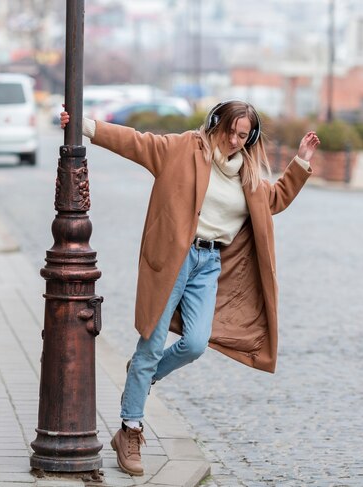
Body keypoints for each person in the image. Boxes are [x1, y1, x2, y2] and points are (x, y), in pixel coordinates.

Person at [60, 100, 319, 476]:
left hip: (209, 264)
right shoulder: (181, 149)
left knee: (196, 343)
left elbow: (273, 201)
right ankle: (129, 429)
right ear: (216, 122)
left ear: (251, 138)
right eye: (229, 130)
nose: (233, 140)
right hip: (172, 259)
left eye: (242, 135)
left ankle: (142, 374)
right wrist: (84, 125)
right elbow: (134, 141)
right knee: (151, 341)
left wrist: (301, 162)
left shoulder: (247, 173)